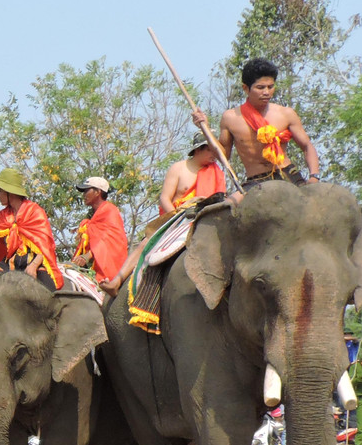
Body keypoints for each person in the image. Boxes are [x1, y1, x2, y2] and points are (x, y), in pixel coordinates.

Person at [99, 133, 226, 296]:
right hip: (178, 219)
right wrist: (177, 215)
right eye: (210, 150)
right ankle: (117, 281)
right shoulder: (179, 168)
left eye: (216, 150)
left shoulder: (216, 172)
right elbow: (165, 198)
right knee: (147, 243)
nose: (214, 154)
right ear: (198, 149)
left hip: (205, 220)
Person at [217, 58, 322, 190]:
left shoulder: (286, 113)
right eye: (260, 87)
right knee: (230, 202)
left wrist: (314, 176)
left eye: (270, 87)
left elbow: (307, 146)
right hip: (256, 181)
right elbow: (223, 156)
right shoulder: (230, 118)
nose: (266, 92)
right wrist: (205, 129)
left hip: (287, 175)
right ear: (246, 88)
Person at [0, 168, 63, 290]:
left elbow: (46, 247)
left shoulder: (34, 211)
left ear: (9, 192)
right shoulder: (3, 216)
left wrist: (33, 266)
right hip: (10, 262)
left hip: (35, 262)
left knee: (49, 291)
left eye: (0, 191)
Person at [70, 177, 128, 285]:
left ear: (97, 192)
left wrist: (87, 256)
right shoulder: (96, 215)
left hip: (111, 269)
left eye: (87, 190)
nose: (84, 194)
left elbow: (108, 241)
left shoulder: (110, 210)